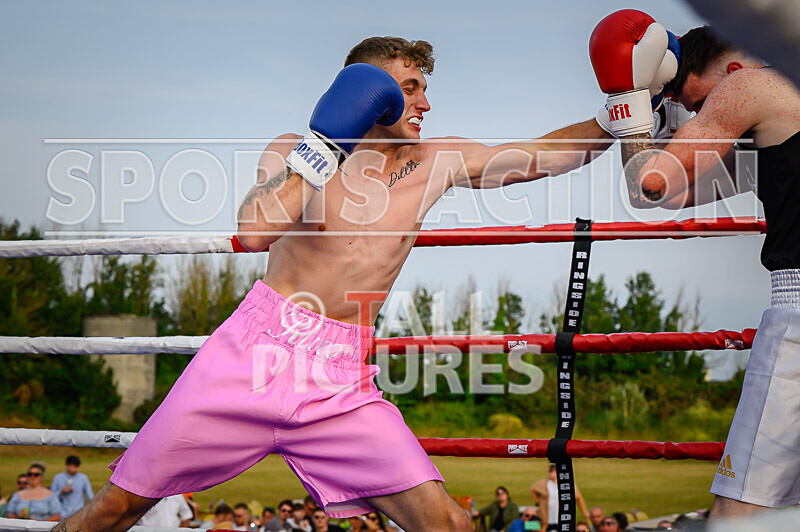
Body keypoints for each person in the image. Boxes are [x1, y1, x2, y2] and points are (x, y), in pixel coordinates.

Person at [55, 36, 616, 532]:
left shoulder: (433, 160)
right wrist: (325, 147)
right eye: (411, 88)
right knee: (114, 510)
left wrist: (616, 116)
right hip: (254, 353)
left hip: (339, 377)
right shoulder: (292, 149)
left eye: (425, 89)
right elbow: (254, 233)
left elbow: (539, 157)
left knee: (449, 523)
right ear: (371, 92)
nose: (425, 103)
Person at [592, 9, 800, 519]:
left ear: (726, 72)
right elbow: (663, 197)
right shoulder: (779, 119)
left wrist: (631, 108)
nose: (701, 119)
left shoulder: (748, 84)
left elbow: (650, 183)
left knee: (741, 511)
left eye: (697, 105)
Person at [529, 464, 591, 530]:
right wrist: (538, 502)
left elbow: (578, 498)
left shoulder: (567, 484)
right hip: (547, 518)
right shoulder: (544, 483)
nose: (550, 473)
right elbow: (532, 489)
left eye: (552, 471)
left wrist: (585, 513)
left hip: (562, 517)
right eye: (549, 471)